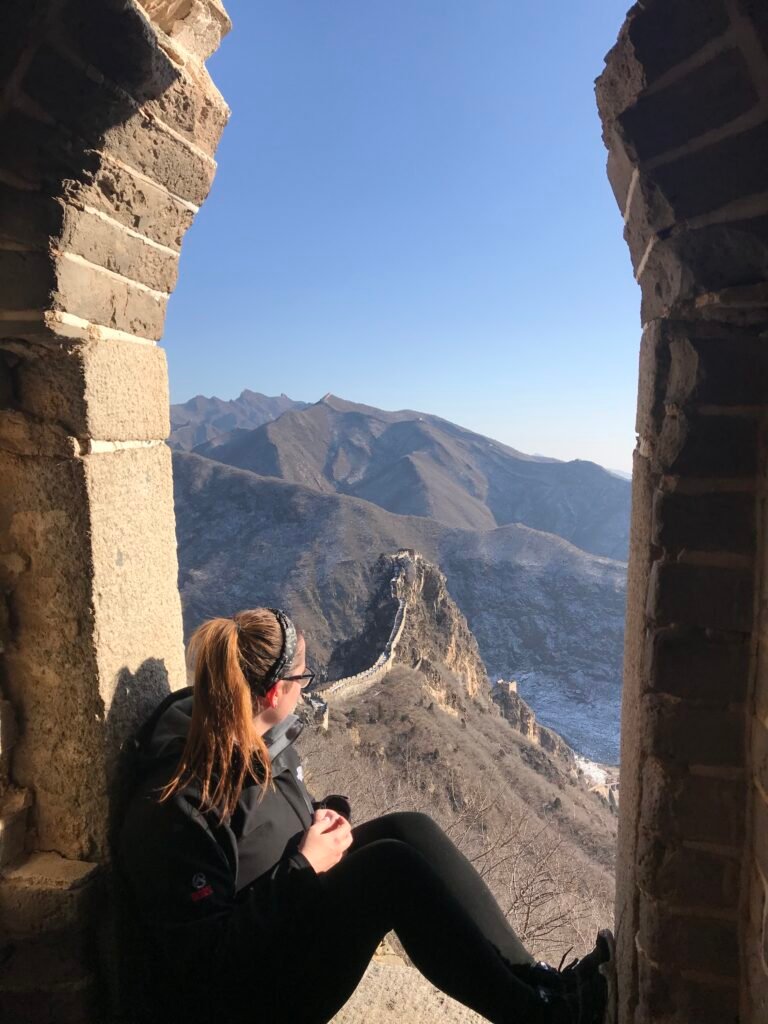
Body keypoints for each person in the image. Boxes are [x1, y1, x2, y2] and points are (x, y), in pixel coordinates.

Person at [118, 607, 616, 1024]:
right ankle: (540, 1016)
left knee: (408, 828)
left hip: (281, 924)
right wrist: (303, 865)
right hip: (241, 1000)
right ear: (274, 693)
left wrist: (317, 820)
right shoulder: (176, 806)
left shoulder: (250, 740)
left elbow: (258, 829)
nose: (306, 689)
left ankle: (541, 982)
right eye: (302, 678)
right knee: (389, 870)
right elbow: (204, 962)